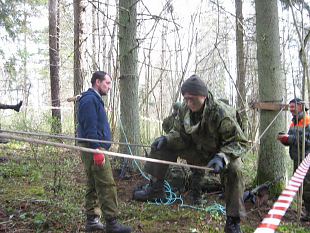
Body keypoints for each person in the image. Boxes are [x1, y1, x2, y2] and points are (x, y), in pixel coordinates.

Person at [133, 75, 248, 233]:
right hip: (196, 150)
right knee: (162, 147)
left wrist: (222, 157)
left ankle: (233, 221)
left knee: (235, 169)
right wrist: (167, 139)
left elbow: (239, 142)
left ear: (203, 96)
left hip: (219, 154)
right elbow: (179, 133)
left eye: (192, 98)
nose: (188, 102)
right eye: (186, 99)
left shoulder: (221, 112)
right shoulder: (184, 109)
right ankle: (156, 189)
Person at [78, 71, 131, 233]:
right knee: (106, 183)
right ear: (97, 82)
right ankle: (112, 224)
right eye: (107, 83)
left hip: (94, 147)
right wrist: (96, 150)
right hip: (94, 148)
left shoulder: (93, 99)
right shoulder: (89, 100)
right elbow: (90, 127)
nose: (109, 87)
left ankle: (92, 220)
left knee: (93, 183)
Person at [277, 98, 310, 221]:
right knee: (300, 188)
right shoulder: (293, 122)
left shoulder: (308, 121)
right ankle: (305, 212)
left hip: (307, 161)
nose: (290, 109)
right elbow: (293, 140)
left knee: (307, 188)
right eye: (289, 107)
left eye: (292, 107)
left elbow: (307, 142)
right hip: (297, 159)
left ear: (300, 106)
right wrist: (284, 139)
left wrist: (290, 138)